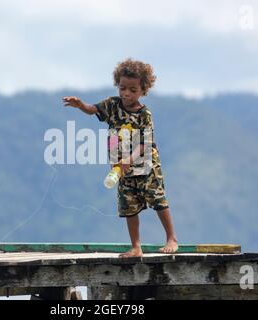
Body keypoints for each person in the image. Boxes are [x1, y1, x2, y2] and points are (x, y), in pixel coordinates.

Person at [62, 58, 179, 257]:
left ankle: (171, 238)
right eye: (123, 88)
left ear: (143, 90)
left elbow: (145, 143)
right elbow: (93, 110)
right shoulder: (113, 105)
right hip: (121, 169)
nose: (126, 93)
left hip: (146, 167)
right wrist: (80, 105)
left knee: (157, 199)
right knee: (128, 206)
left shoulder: (144, 114)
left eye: (133, 90)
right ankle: (136, 246)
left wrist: (129, 159)